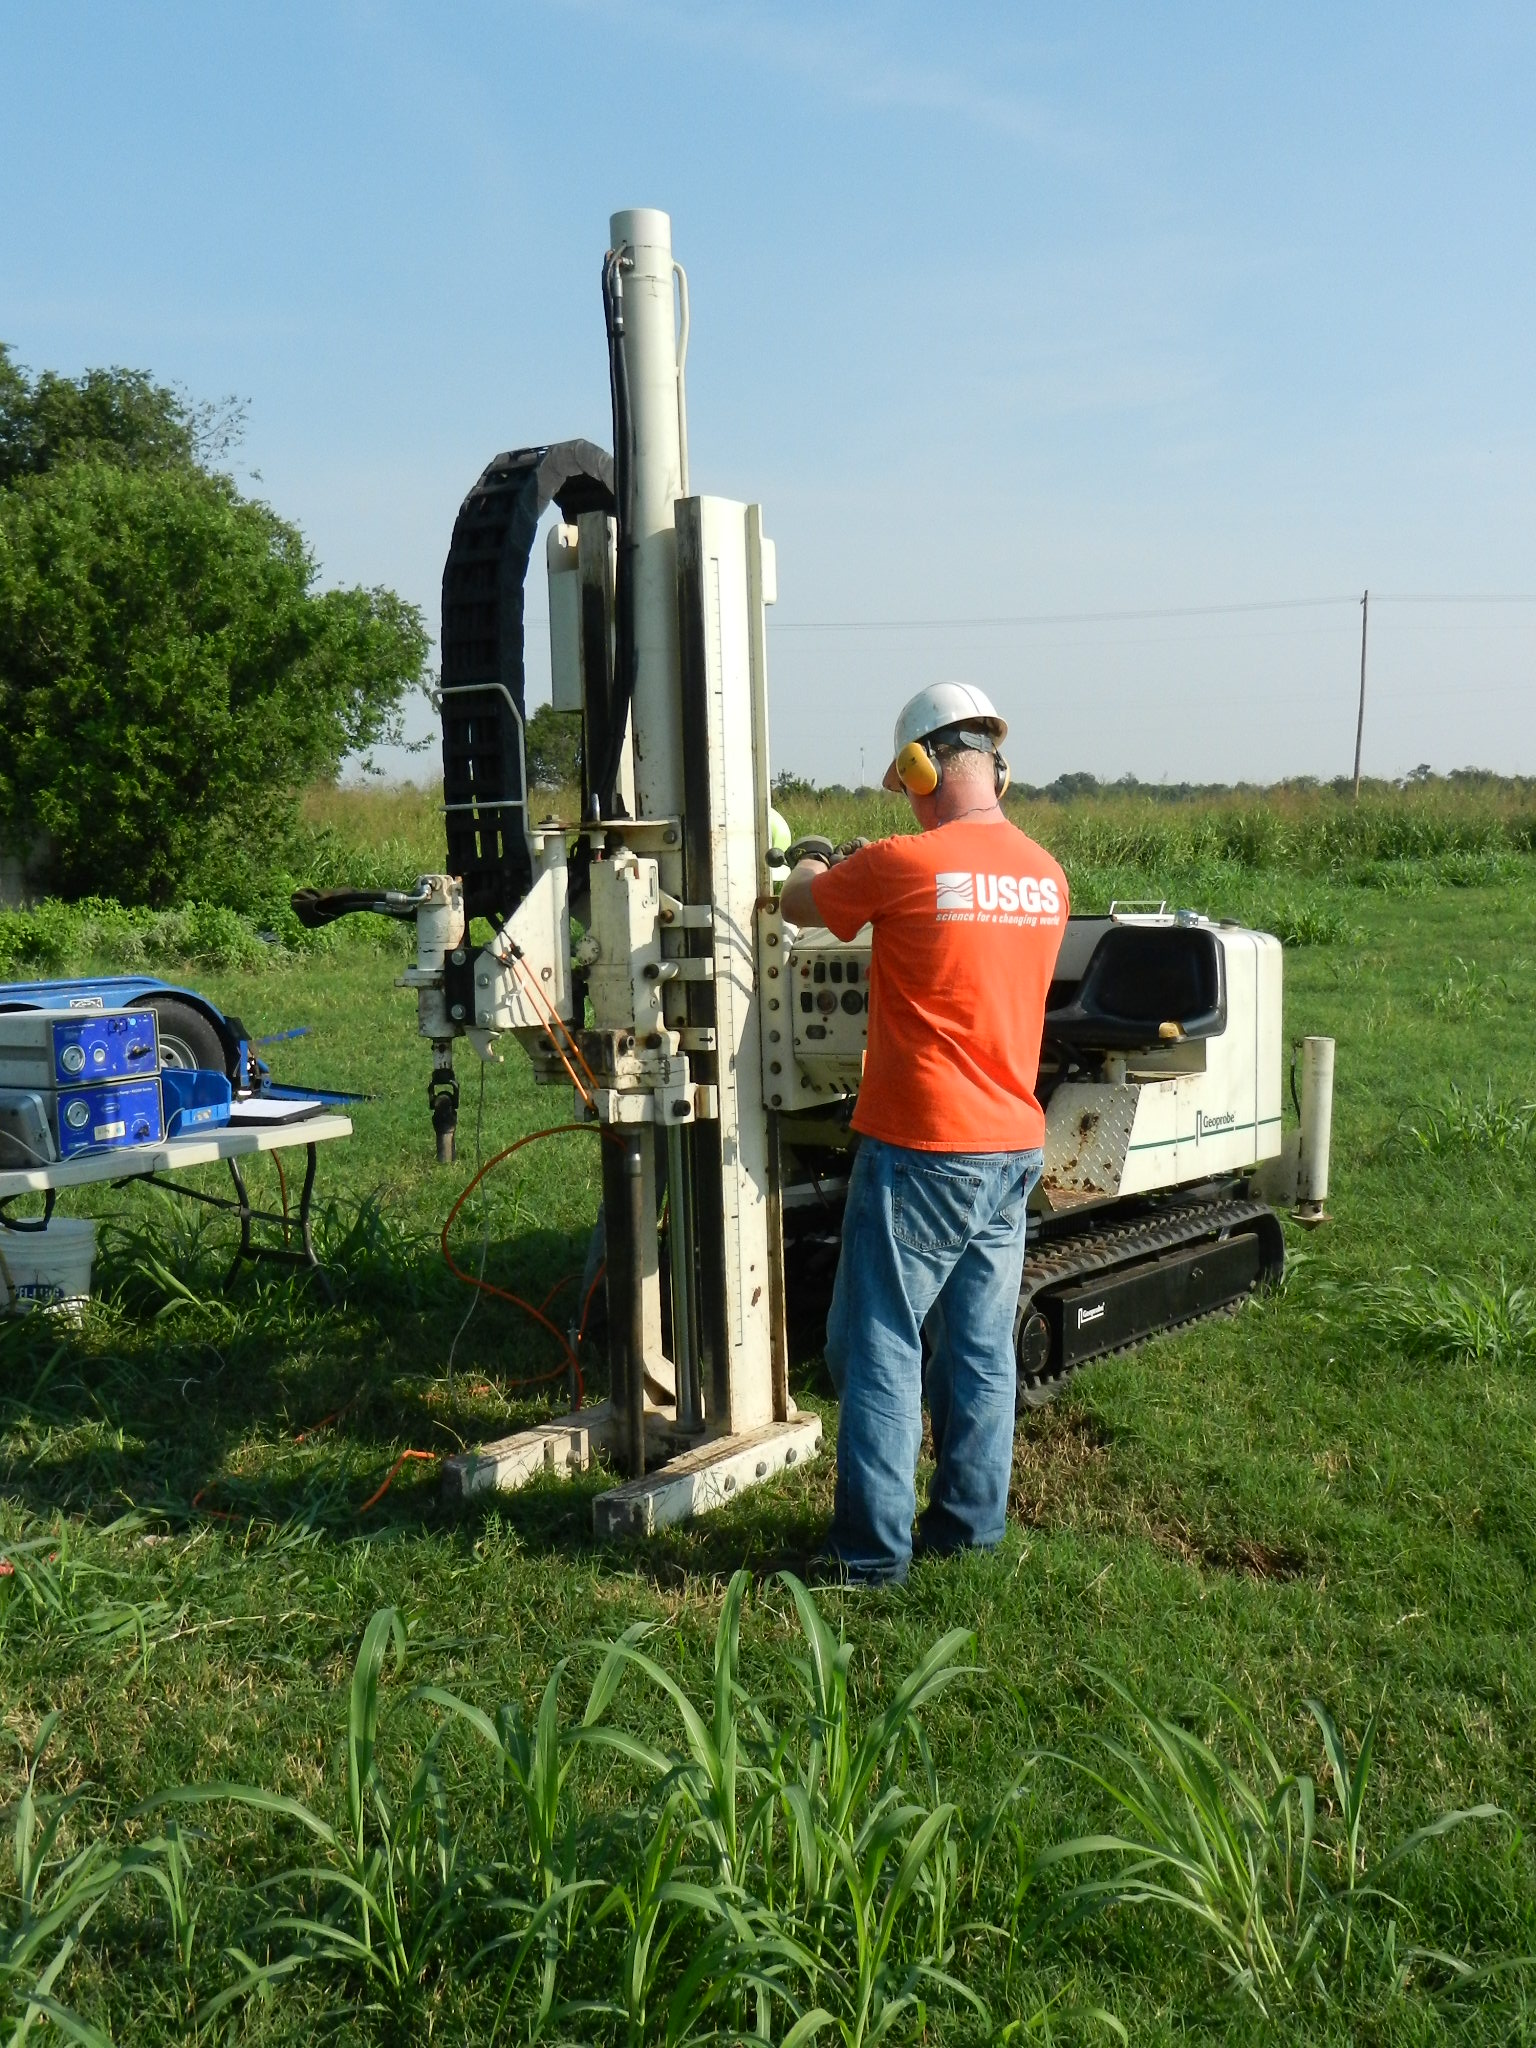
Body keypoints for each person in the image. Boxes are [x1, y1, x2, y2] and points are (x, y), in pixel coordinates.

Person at [778, 683, 1068, 1585]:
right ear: (999, 767)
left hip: (922, 1145)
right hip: (1012, 1142)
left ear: (918, 767)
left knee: (878, 1344)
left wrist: (816, 861)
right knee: (977, 1349)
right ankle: (970, 1529)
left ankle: (868, 1555)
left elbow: (798, 904)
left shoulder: (904, 862)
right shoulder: (1048, 876)